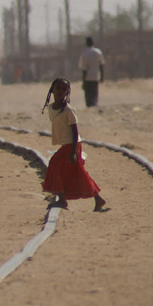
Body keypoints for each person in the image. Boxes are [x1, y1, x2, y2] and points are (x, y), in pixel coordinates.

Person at [40, 78, 106, 211]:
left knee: (56, 166)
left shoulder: (68, 111)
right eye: (58, 88)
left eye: (64, 89)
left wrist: (73, 153)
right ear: (52, 90)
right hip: (66, 145)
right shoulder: (51, 108)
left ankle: (63, 201)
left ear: (67, 92)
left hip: (72, 145)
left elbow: (75, 133)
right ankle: (97, 199)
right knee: (75, 172)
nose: (60, 91)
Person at [78, 36, 105, 107]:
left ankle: (89, 107)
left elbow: (84, 69)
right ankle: (94, 106)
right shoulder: (98, 52)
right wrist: (102, 76)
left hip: (87, 78)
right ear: (93, 43)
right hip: (95, 77)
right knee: (94, 94)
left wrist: (83, 81)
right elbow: (101, 65)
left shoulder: (84, 54)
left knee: (88, 95)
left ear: (86, 44)